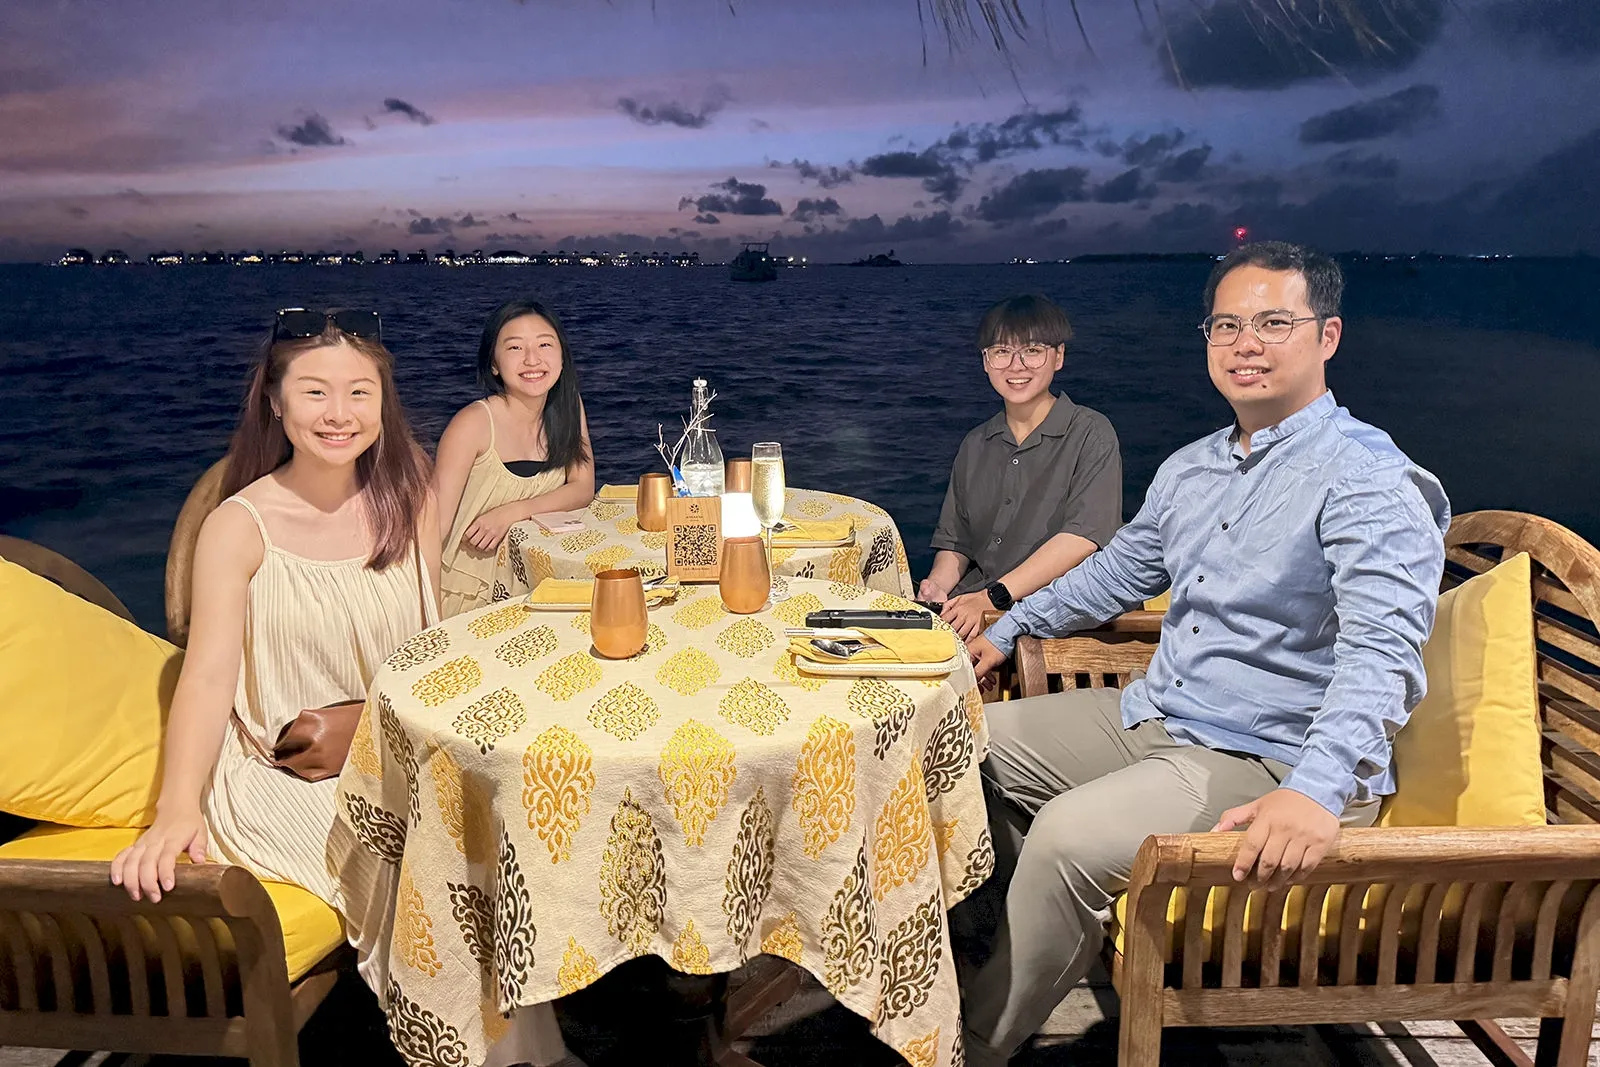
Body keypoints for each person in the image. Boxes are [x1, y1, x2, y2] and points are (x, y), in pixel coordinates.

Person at [960, 243, 1451, 1065]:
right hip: (1164, 714)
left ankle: (970, 1045)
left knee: (1064, 838)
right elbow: (1117, 572)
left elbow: (1384, 648)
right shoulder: (1193, 468)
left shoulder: (1366, 478)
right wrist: (1005, 628)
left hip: (1274, 758)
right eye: (1226, 325)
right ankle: (1019, 951)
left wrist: (1315, 790)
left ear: (1327, 336)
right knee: (956, 744)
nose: (1245, 343)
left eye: (1273, 322)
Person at [109, 309, 583, 1067]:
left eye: (360, 392)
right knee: (429, 858)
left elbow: (430, 642)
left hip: (386, 747)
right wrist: (174, 810)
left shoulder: (409, 496)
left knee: (505, 819)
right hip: (282, 771)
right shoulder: (240, 526)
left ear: (383, 402)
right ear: (275, 401)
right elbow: (207, 675)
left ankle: (521, 1050)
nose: (339, 413)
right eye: (315, 392)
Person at [919, 294, 1122, 641]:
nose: (1016, 366)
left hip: (1059, 616)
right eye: (1001, 351)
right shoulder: (975, 444)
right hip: (978, 606)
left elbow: (1082, 539)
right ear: (985, 361)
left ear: (1059, 356)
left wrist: (992, 597)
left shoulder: (1091, 432)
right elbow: (956, 542)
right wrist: (937, 586)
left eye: (1032, 350)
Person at [435, 299, 596, 618]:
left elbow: (582, 487)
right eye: (514, 348)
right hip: (466, 594)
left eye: (544, 345)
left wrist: (512, 512)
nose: (532, 359)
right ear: (494, 364)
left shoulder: (568, 407)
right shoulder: (473, 424)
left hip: (536, 585)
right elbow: (433, 528)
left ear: (562, 356)